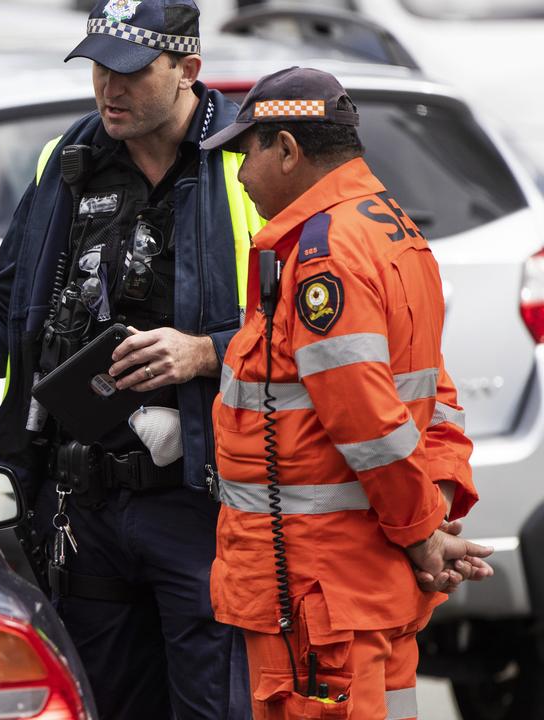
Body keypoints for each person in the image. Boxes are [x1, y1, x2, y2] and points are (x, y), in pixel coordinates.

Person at [0, 2, 257, 717]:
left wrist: (206, 352)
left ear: (188, 70)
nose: (107, 89)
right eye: (97, 67)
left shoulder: (250, 162)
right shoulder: (69, 161)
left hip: (202, 502)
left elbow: (309, 335)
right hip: (83, 508)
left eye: (128, 70)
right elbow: (6, 303)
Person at [200, 66, 494, 719]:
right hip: (364, 589)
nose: (242, 176)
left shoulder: (323, 251)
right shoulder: (394, 229)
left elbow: (367, 418)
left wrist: (423, 534)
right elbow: (433, 396)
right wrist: (435, 511)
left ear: (286, 149)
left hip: (317, 595)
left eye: (246, 153)